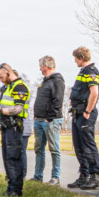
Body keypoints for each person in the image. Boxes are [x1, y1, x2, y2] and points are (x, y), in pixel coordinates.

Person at [0, 62, 30, 197]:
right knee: (7, 158)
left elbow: (18, 109)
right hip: (6, 127)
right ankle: (10, 187)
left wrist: (0, 110)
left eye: (1, 77)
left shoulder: (20, 87)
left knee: (13, 158)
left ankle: (16, 190)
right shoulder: (7, 87)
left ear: (8, 73)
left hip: (14, 127)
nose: (0, 80)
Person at [68, 46, 99, 190]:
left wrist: (88, 111)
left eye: (75, 58)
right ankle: (84, 175)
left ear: (81, 58)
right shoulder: (83, 72)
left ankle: (94, 177)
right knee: (79, 146)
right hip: (77, 113)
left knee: (88, 145)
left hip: (85, 114)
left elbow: (94, 93)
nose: (74, 61)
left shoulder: (91, 72)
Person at [31, 56, 65, 185]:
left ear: (47, 66)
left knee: (54, 148)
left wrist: (49, 117)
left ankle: (55, 177)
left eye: (41, 66)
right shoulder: (45, 81)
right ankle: (38, 176)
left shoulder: (57, 81)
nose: (39, 68)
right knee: (39, 149)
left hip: (50, 121)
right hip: (38, 120)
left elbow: (57, 101)